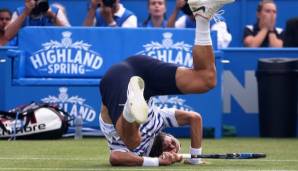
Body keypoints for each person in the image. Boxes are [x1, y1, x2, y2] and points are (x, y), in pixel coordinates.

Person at [99, 0, 234, 166]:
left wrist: (155, 161)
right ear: (170, 134)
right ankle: (202, 17)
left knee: (133, 142)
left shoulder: (141, 153)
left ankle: (130, 107)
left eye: (171, 149)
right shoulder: (161, 120)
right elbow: (195, 118)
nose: (172, 145)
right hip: (141, 71)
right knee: (206, 80)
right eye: (175, 144)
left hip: (115, 80)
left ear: (162, 153)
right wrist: (195, 158)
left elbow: (115, 158)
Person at [167, 0, 232, 49]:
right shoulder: (185, 20)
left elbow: (219, 46)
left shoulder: (217, 22)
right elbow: (170, 32)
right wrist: (177, 9)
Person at [4, 0, 70, 43]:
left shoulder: (55, 12)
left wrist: (52, 16)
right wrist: (24, 14)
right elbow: (8, 36)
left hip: (50, 54)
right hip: (26, 54)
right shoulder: (20, 12)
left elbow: (71, 33)